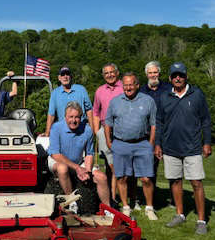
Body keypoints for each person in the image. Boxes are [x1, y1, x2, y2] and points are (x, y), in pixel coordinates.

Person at [154, 62, 212, 234]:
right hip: (170, 148)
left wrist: (207, 142)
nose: (178, 78)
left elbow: (206, 120)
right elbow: (159, 122)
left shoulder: (197, 94)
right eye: (174, 75)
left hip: (192, 147)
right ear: (170, 78)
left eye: (181, 75)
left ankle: (201, 220)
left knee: (196, 183)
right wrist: (158, 144)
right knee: (175, 181)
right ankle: (180, 214)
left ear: (186, 76)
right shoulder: (165, 97)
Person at [105, 73, 158, 220]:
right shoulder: (115, 102)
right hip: (121, 144)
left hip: (142, 144)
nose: (128, 87)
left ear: (137, 85)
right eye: (126, 85)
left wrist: (151, 143)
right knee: (122, 178)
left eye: (131, 84)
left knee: (146, 179)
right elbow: (108, 123)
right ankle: (126, 207)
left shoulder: (148, 100)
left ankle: (149, 208)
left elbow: (153, 123)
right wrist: (110, 142)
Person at [48, 101, 111, 211]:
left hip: (78, 161)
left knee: (102, 177)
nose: (73, 120)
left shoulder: (87, 130)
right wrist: (77, 168)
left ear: (81, 117)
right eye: (71, 117)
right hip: (57, 161)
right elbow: (55, 154)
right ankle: (72, 202)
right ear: (65, 117)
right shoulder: (56, 128)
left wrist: (86, 170)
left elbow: (89, 154)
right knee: (63, 169)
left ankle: (108, 209)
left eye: (77, 117)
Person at [139, 61, 173, 207]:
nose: (153, 75)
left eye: (155, 72)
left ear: (159, 73)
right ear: (146, 74)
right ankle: (151, 199)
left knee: (172, 166)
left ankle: (173, 199)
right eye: (150, 73)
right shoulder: (140, 91)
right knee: (151, 167)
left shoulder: (168, 88)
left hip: (168, 131)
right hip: (148, 133)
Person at [93, 63, 123, 208]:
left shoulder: (124, 87)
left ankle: (126, 198)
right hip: (105, 131)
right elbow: (95, 112)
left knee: (123, 165)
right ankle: (111, 198)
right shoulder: (99, 91)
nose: (110, 75)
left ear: (117, 73)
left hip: (124, 130)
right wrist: (96, 131)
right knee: (109, 165)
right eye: (106, 73)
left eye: (112, 72)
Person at [42, 66, 93, 136]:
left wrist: (92, 129)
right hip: (63, 131)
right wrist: (47, 132)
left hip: (81, 129)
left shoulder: (81, 90)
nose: (65, 77)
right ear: (59, 78)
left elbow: (89, 110)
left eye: (67, 74)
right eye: (63, 75)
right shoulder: (55, 93)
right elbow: (51, 115)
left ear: (71, 76)